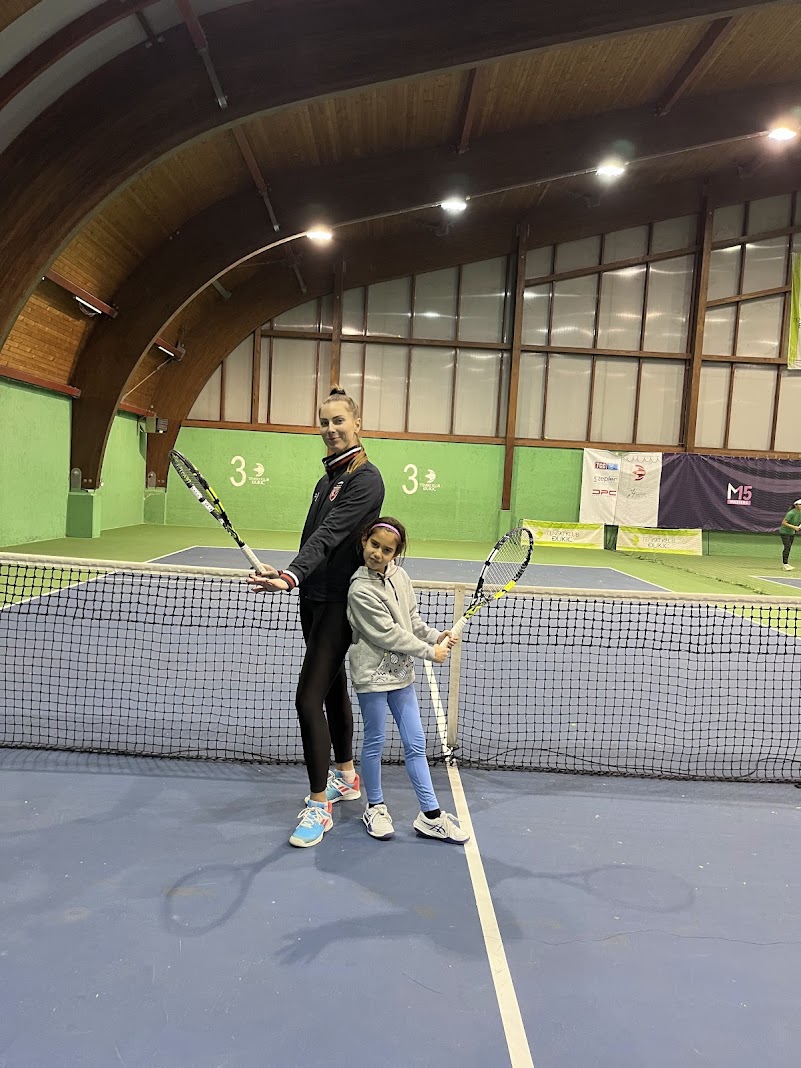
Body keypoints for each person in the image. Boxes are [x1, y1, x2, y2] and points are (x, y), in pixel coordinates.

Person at [248, 387, 384, 847]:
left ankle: (319, 804)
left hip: (337, 604)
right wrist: (289, 572)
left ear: (357, 422)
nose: (330, 429)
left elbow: (331, 533)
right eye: (324, 422)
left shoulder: (366, 479)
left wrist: (291, 576)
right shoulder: (327, 479)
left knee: (307, 699)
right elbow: (313, 540)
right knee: (331, 688)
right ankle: (346, 775)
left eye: (338, 420)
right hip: (313, 595)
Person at [346, 516, 469, 844]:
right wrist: (430, 652)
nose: (378, 553)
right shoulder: (360, 589)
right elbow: (388, 634)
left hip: (401, 675)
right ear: (364, 541)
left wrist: (435, 635)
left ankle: (430, 816)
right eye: (374, 545)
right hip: (372, 675)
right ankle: (375, 807)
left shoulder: (400, 576)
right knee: (375, 741)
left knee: (415, 743)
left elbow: (411, 621)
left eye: (387, 550)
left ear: (395, 553)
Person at [779, 498, 801, 570]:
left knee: (788, 547)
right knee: (787, 546)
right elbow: (784, 523)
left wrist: (797, 527)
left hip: (792, 532)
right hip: (784, 532)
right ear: (796, 505)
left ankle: (786, 564)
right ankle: (785, 564)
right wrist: (794, 527)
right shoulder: (791, 513)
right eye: (800, 504)